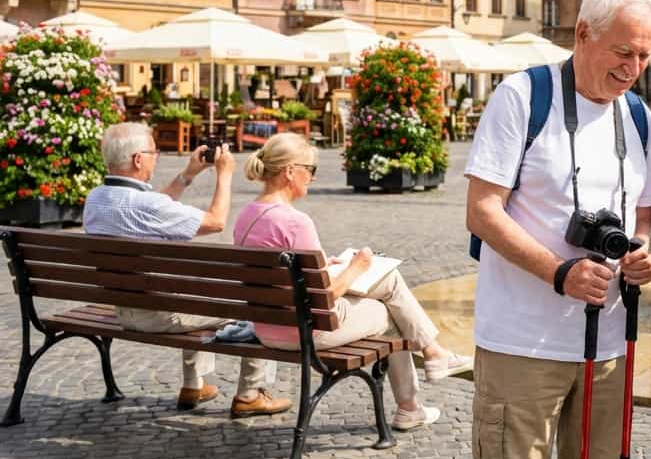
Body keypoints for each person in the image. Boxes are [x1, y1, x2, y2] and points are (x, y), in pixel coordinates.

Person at [465, 0, 651, 459]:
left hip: (608, 344)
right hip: (522, 343)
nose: (633, 68)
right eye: (623, 52)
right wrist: (560, 272)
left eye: (644, 55)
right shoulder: (523, 96)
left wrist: (643, 252)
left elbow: (644, 215)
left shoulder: (638, 115)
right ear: (583, 34)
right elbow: (482, 211)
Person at [234, 132, 471, 431]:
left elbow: (293, 276)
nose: (312, 177)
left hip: (268, 328)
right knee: (393, 314)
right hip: (307, 332)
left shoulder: (246, 214)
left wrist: (327, 265)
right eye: (310, 169)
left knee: (389, 284)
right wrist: (357, 266)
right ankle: (412, 403)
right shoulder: (295, 222)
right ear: (290, 171)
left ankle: (434, 356)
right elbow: (325, 294)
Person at [83, 122, 291, 418]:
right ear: (138, 160)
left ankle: (194, 385)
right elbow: (215, 222)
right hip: (160, 316)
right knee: (258, 303)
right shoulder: (149, 206)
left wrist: (187, 175)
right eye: (153, 152)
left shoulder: (95, 199)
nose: (156, 156)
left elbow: (153, 206)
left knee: (192, 291)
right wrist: (224, 175)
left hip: (123, 310)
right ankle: (250, 394)